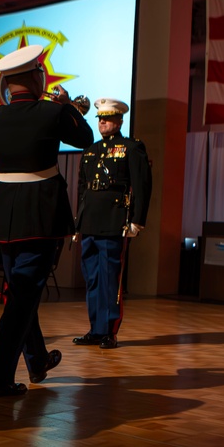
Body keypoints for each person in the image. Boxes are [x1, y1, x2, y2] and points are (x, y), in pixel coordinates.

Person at [0, 44, 93, 397]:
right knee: (23, 298)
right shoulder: (51, 113)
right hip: (40, 215)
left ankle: (37, 358)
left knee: (21, 293)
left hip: (4, 217)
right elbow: (85, 138)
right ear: (37, 77)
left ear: (6, 84)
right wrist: (68, 107)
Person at [73, 98, 152, 350]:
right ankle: (95, 329)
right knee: (92, 278)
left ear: (119, 120)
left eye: (107, 117)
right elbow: (82, 189)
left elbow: (142, 185)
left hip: (113, 219)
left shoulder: (131, 147)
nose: (102, 121)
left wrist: (137, 220)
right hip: (90, 221)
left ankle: (109, 331)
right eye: (99, 117)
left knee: (109, 278)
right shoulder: (91, 150)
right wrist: (78, 224)